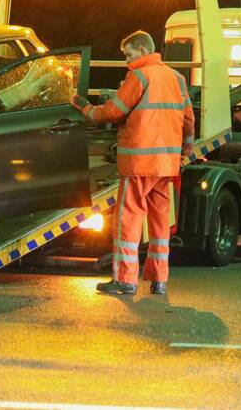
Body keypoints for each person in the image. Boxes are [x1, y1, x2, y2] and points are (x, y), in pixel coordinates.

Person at [70, 30, 194, 295]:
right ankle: (159, 280)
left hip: (139, 164)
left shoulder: (139, 75)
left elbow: (113, 110)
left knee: (128, 220)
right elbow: (188, 119)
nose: (126, 60)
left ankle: (125, 280)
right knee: (160, 224)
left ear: (141, 49)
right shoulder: (177, 78)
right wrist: (186, 151)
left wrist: (86, 109)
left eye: (128, 54)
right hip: (166, 166)